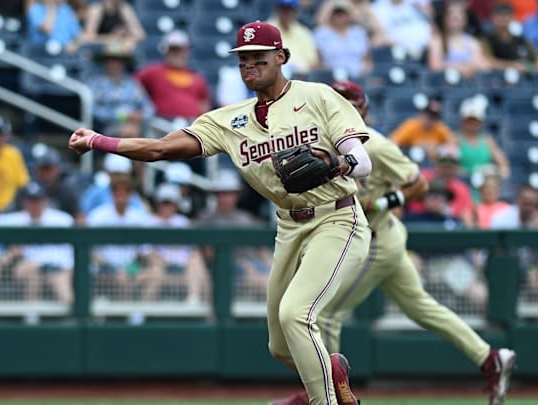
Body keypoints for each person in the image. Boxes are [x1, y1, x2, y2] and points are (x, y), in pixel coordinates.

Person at [70, 20, 373, 405]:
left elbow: (363, 161)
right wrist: (99, 140)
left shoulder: (318, 97)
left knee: (296, 315)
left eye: (258, 58)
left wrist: (336, 163)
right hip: (289, 228)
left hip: (337, 217)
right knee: (281, 346)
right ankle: (332, 371)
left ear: (281, 57)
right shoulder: (230, 120)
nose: (249, 66)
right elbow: (160, 149)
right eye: (243, 60)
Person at [271, 80, 517, 405]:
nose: (341, 107)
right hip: (379, 237)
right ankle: (490, 358)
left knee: (325, 313)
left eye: (350, 102)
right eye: (336, 101)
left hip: (374, 240)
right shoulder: (318, 142)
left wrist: (385, 202)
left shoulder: (374, 145)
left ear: (363, 109)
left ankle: (322, 395)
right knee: (422, 307)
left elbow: (417, 184)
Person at [195, 170, 272, 302]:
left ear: (236, 195)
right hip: (225, 270)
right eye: (222, 193)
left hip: (253, 265)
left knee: (276, 275)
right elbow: (207, 253)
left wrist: (273, 265)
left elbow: (260, 249)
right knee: (260, 280)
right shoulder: (206, 218)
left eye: (230, 193)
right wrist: (243, 265)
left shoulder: (245, 218)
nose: (225, 198)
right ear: (216, 195)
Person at [0, 182, 74, 305]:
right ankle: (31, 319)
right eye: (31, 201)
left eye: (38, 200)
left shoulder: (62, 220)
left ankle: (72, 319)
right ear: (24, 202)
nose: (35, 205)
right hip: (30, 266)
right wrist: (13, 248)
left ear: (45, 201)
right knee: (32, 274)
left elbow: (70, 253)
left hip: (57, 268)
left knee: (60, 281)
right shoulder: (13, 221)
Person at [87, 175, 160, 301]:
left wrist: (156, 264)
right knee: (121, 276)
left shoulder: (139, 217)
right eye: (117, 191)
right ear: (112, 193)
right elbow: (91, 250)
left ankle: (140, 314)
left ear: (130, 194)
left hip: (131, 267)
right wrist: (108, 266)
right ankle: (127, 316)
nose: (121, 195)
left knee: (156, 273)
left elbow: (145, 250)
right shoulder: (98, 216)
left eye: (125, 191)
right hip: (104, 269)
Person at [143, 183, 210, 305]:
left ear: (176, 205)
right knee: (155, 272)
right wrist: (159, 260)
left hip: (184, 266)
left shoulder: (183, 222)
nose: (167, 207)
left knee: (199, 266)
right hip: (160, 265)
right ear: (158, 204)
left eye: (170, 203)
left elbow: (193, 251)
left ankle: (196, 304)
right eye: (164, 203)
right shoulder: (149, 222)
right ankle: (141, 315)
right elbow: (146, 251)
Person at [135, 30, 212, 121]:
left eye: (181, 50)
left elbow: (204, 104)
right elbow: (133, 86)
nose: (177, 54)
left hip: (191, 125)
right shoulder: (152, 72)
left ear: (187, 52)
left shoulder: (197, 78)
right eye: (173, 50)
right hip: (162, 124)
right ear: (165, 52)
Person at [86, 41, 155, 138]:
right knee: (130, 131)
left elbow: (149, 108)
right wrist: (122, 116)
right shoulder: (95, 84)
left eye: (119, 60)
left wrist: (139, 116)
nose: (115, 63)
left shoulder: (132, 84)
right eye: (111, 59)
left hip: (136, 125)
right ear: (105, 62)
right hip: (106, 128)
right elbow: (93, 110)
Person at [428, 0, 490, 78]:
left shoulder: (473, 42)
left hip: (470, 85)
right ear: (445, 19)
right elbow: (435, 66)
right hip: (443, 86)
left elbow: (483, 65)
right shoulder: (437, 41)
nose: (455, 16)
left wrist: (467, 67)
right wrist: (461, 68)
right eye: (451, 14)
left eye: (459, 14)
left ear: (465, 19)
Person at [313, 0, 371, 80]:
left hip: (358, 77)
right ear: (331, 15)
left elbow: (367, 59)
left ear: (349, 15)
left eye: (343, 13)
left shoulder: (359, 33)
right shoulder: (321, 33)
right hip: (332, 77)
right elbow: (318, 61)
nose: (340, 16)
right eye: (337, 13)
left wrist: (365, 72)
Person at [482, 2, 538, 74]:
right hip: (494, 80)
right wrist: (513, 65)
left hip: (523, 82)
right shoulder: (487, 40)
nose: (503, 19)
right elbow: (488, 61)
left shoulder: (520, 40)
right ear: (492, 18)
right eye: (500, 15)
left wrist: (527, 67)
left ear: (512, 17)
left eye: (506, 15)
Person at [456, 97, 510, 179]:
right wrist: (470, 173)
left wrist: (493, 172)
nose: (472, 124)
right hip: (463, 185)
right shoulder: (455, 140)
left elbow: (503, 165)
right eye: (469, 120)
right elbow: (449, 167)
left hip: (485, 186)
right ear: (462, 120)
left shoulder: (488, 141)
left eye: (475, 120)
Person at [388, 98, 455, 158]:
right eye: (429, 115)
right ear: (422, 113)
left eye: (434, 116)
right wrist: (409, 149)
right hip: (412, 163)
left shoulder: (439, 127)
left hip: (434, 168)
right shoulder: (411, 126)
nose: (430, 119)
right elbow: (392, 142)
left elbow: (453, 145)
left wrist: (438, 149)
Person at [268, 0, 320, 76]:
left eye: (289, 9)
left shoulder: (304, 32)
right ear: (277, 9)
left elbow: (314, 62)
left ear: (296, 11)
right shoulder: (267, 30)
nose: (286, 12)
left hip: (303, 78)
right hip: (276, 77)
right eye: (283, 8)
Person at [316, 0, 389, 48]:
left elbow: (378, 29)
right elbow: (321, 22)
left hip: (359, 42)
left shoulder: (365, 6)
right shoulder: (335, 3)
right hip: (335, 42)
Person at [78, 0, 145, 51]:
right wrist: (114, 38)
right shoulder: (97, 9)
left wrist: (127, 39)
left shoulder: (124, 8)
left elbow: (141, 35)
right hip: (99, 53)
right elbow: (87, 38)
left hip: (117, 53)